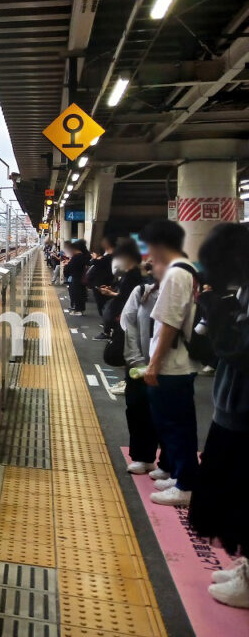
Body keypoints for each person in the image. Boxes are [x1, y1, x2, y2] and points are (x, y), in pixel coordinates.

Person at [188, 222, 249, 608]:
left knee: (244, 499)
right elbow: (216, 352)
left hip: (246, 418)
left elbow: (239, 352)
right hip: (232, 413)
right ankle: (245, 563)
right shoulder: (242, 291)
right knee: (233, 500)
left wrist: (217, 317)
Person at [141, 220, 201, 507]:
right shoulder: (187, 270)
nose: (149, 254)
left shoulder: (177, 275)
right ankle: (179, 474)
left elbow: (169, 324)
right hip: (178, 364)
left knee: (176, 426)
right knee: (177, 425)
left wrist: (154, 364)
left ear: (160, 245)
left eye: (150, 247)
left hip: (172, 366)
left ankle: (186, 486)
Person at [119, 266, 163, 475]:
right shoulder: (141, 292)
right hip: (139, 363)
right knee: (137, 408)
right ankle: (142, 457)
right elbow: (128, 323)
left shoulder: (184, 293)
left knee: (165, 413)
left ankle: (168, 463)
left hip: (167, 367)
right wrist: (136, 361)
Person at [97, 238, 143, 340]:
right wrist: (112, 289)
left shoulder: (133, 274)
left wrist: (110, 293)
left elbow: (126, 295)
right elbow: (123, 290)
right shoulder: (129, 272)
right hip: (124, 312)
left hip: (127, 312)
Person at [89, 234, 118, 317]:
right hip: (107, 281)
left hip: (101, 282)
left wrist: (95, 258)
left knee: (102, 302)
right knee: (105, 302)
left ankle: (106, 321)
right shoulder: (111, 255)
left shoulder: (109, 256)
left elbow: (97, 263)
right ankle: (106, 320)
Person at [62, 239, 91, 315]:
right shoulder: (83, 256)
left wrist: (66, 265)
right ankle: (78, 309)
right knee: (79, 293)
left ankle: (78, 310)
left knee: (77, 294)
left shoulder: (77, 257)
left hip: (76, 278)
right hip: (80, 278)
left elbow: (70, 268)